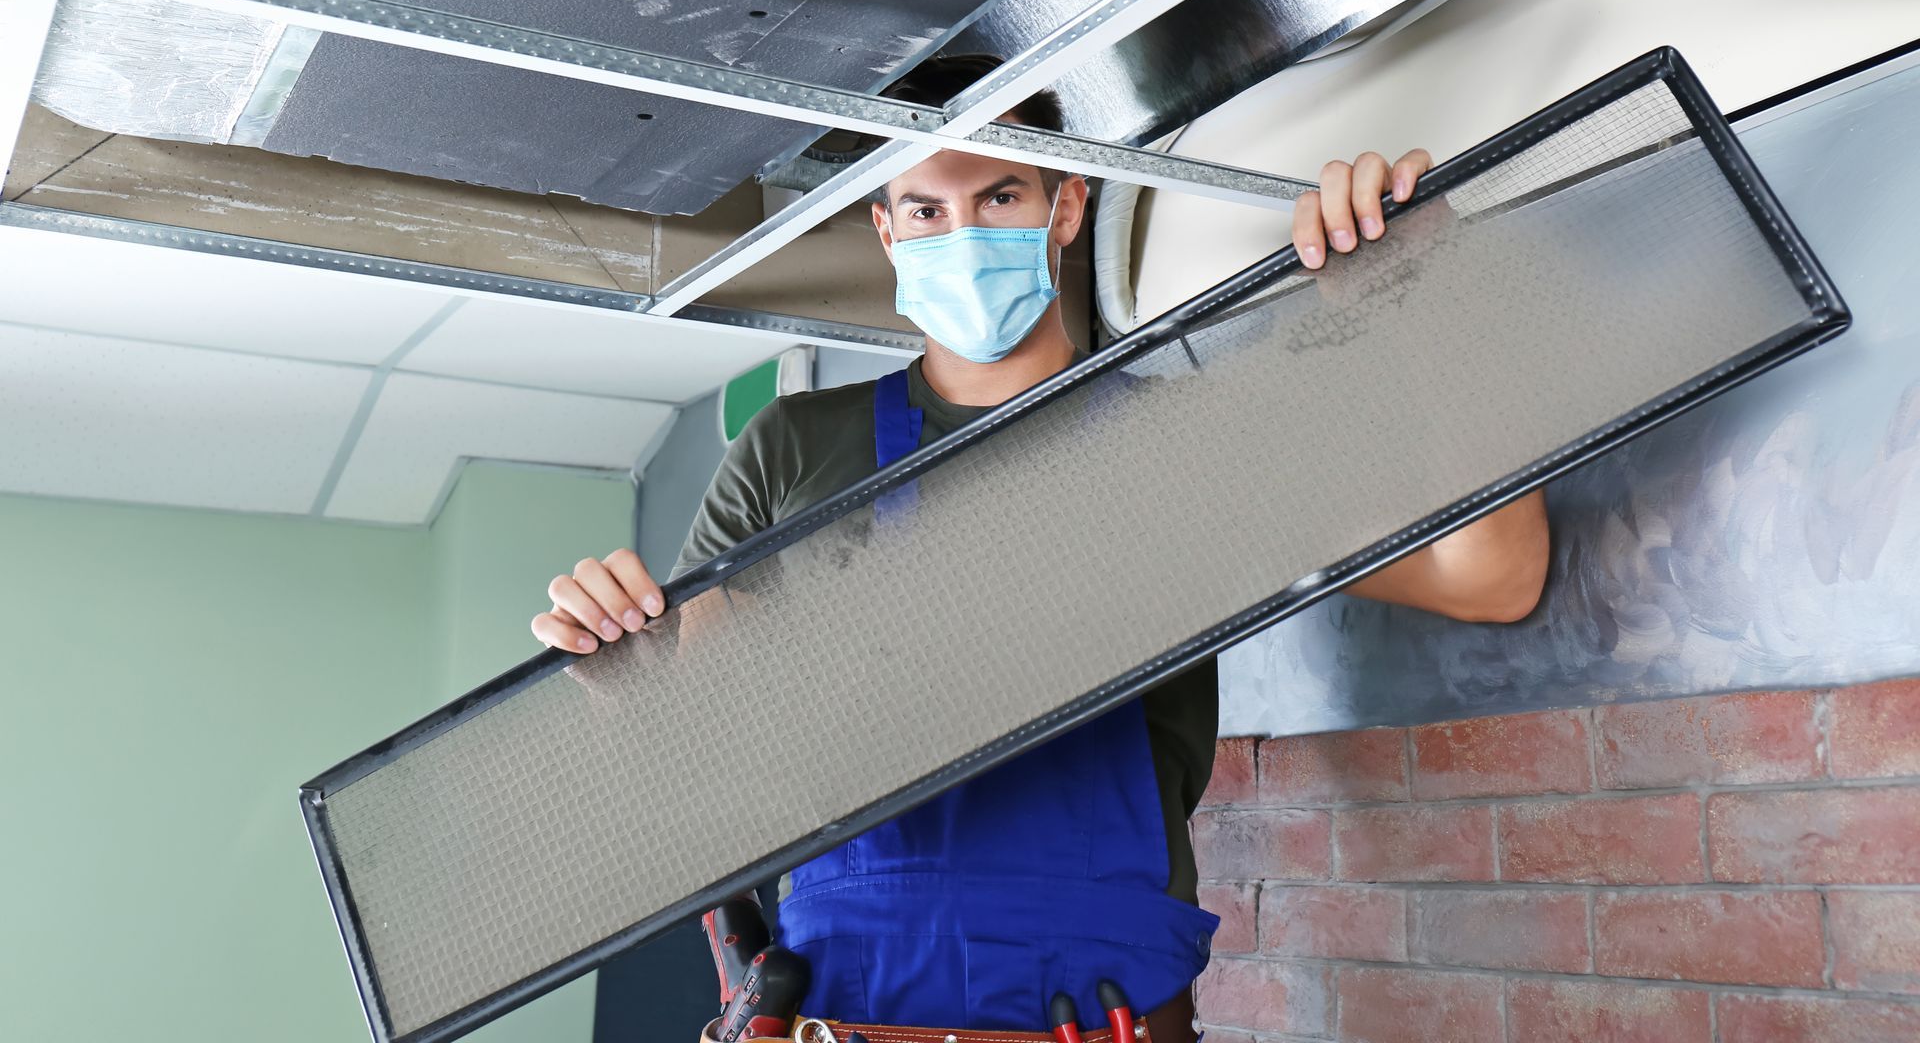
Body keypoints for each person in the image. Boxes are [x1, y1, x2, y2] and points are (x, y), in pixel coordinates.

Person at [531, 55, 1551, 1041]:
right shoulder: (795, 447)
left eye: (1001, 197)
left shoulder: (1186, 442)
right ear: (886, 232)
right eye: (927, 210)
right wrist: (620, 673)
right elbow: (682, 747)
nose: (959, 233)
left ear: (1065, 210)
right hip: (838, 1014)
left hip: (1102, 1015)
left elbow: (1495, 574)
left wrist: (1430, 296)